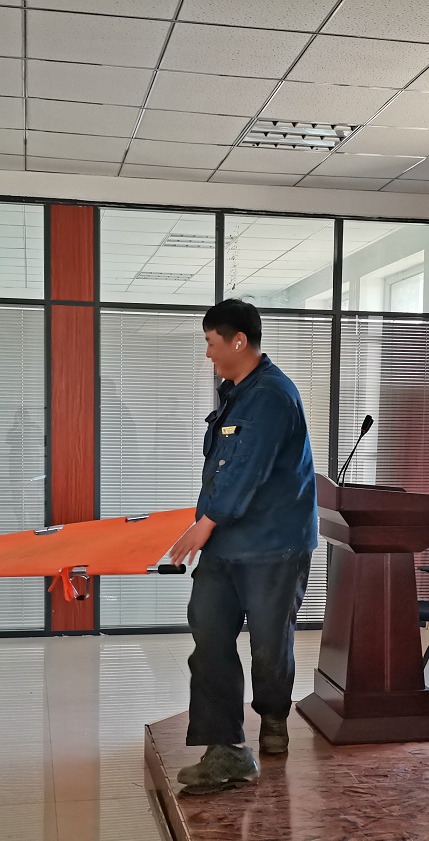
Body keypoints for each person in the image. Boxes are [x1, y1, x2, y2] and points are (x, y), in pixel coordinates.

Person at [169, 299, 316, 794]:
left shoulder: (272, 395)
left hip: (274, 545)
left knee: (269, 644)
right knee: (209, 636)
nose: (208, 353)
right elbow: (222, 469)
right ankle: (225, 749)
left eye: (212, 343)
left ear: (238, 341)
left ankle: (273, 716)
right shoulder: (235, 393)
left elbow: (248, 469)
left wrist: (204, 524)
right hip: (226, 543)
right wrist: (206, 524)